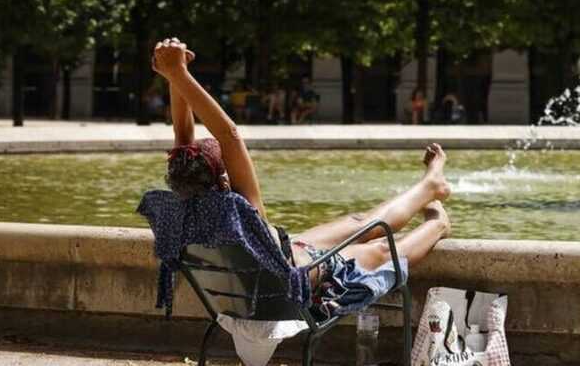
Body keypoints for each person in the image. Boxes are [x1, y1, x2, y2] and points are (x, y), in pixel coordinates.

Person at [140, 38, 451, 319]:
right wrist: (177, 73)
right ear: (224, 180)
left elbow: (183, 139)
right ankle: (438, 223)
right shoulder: (238, 211)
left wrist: (174, 75)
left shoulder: (182, 209)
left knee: (359, 223)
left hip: (285, 260)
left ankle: (431, 185)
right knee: (382, 248)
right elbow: (229, 135)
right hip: (295, 283)